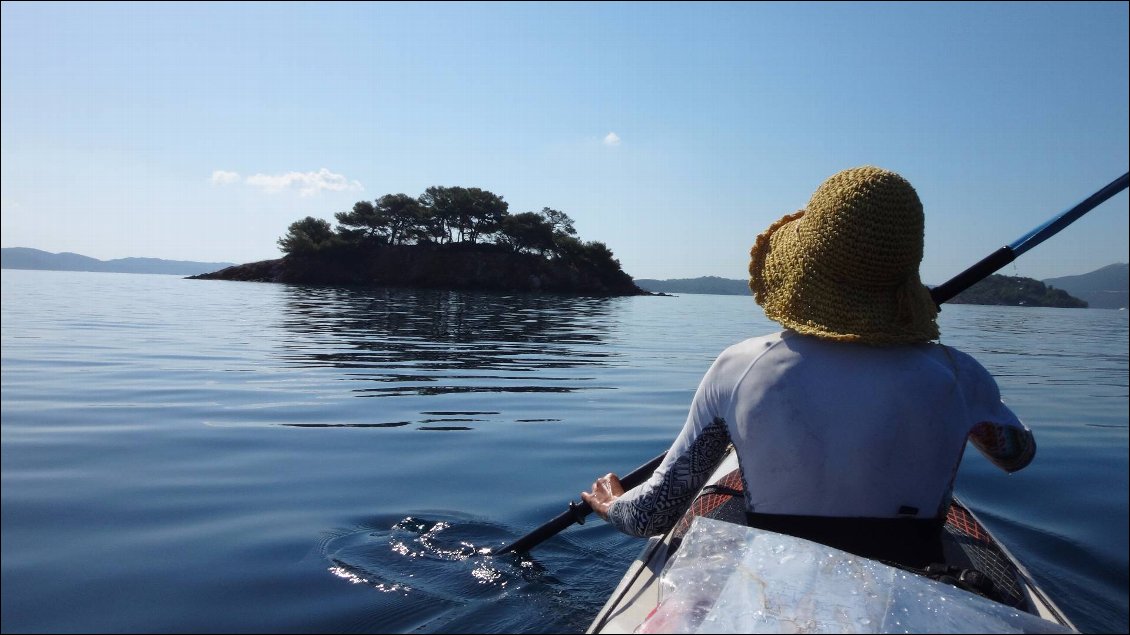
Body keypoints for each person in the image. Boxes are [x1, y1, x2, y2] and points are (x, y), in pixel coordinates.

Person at [581, 166, 1036, 569]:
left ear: (803, 267)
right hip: (912, 584)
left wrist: (613, 505)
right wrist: (961, 408)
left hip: (769, 586)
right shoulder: (959, 375)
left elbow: (652, 516)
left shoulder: (739, 366)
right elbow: (1016, 457)